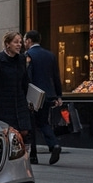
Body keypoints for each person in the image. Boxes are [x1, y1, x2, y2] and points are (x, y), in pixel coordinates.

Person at [0, 31, 32, 146]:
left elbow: (25, 81)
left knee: (24, 131)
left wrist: (30, 99)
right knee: (8, 132)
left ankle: (23, 153)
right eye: (16, 42)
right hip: (3, 103)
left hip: (20, 101)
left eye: (20, 42)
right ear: (7, 44)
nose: (19, 45)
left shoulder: (21, 59)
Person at [24, 30, 63, 165]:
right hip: (48, 94)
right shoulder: (50, 55)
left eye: (24, 41)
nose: (24, 43)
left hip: (33, 95)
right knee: (43, 122)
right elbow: (56, 77)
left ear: (29, 41)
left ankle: (33, 155)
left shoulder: (28, 55)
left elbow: (28, 76)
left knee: (31, 125)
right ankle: (54, 144)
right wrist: (58, 95)